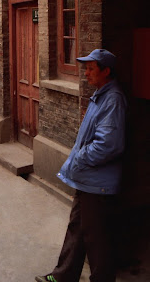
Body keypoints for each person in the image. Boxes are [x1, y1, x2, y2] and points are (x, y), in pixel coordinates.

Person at [35, 49, 127, 282]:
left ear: (106, 71)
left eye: (90, 69)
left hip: (98, 183)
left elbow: (108, 145)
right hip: (88, 179)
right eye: (85, 68)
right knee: (77, 228)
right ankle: (63, 276)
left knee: (97, 240)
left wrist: (79, 158)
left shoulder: (113, 99)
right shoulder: (101, 94)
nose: (86, 73)